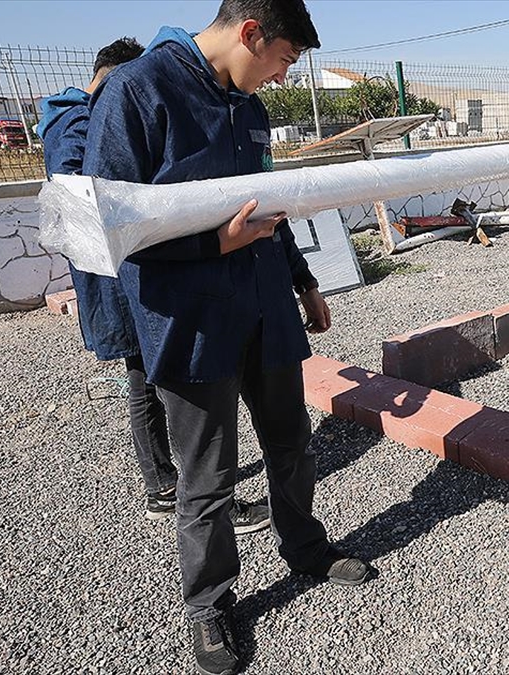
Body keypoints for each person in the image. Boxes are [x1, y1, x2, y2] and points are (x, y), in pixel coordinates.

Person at [81, 3, 369, 673]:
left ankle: (304, 546)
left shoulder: (251, 109)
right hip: (193, 320)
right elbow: (107, 224)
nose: (279, 76)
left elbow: (268, 204)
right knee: (207, 478)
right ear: (250, 33)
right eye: (282, 61)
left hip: (265, 306)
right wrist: (214, 242)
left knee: (291, 443)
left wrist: (302, 280)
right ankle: (209, 604)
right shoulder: (140, 90)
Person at [36, 37, 270, 535]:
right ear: (113, 80)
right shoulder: (81, 127)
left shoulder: (73, 121)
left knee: (146, 377)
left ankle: (167, 485)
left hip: (126, 274)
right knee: (149, 379)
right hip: (120, 277)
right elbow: (103, 210)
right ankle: (172, 488)